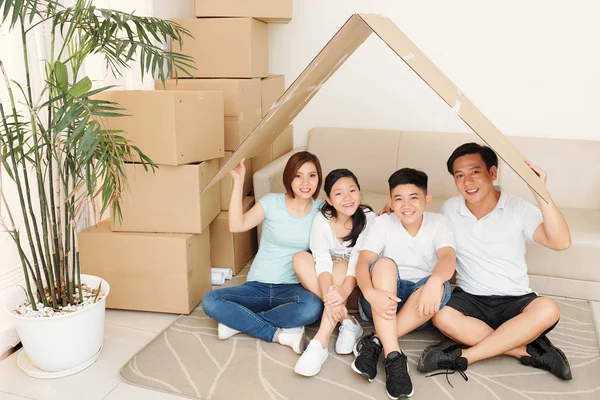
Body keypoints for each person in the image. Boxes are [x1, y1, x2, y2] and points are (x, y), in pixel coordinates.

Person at [418, 142, 572, 382]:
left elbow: (560, 242)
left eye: (474, 172)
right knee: (440, 316)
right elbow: (430, 237)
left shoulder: (518, 207)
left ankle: (466, 356)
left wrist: (539, 191)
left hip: (515, 298)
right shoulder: (450, 208)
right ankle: (525, 350)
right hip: (470, 297)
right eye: (460, 175)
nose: (467, 182)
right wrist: (394, 212)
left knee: (548, 309)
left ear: (492, 173)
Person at [201, 151, 325, 354]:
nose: (306, 182)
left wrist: (387, 209)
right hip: (257, 285)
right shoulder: (271, 202)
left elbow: (350, 221)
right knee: (210, 301)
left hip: (293, 290)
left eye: (312, 175)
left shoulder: (322, 209)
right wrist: (238, 181)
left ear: (318, 178)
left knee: (312, 307)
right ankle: (277, 334)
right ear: (289, 178)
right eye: (298, 175)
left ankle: (236, 323)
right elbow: (236, 225)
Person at [352, 168, 456, 399]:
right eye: (399, 199)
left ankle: (376, 341)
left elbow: (448, 258)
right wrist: (369, 293)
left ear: (427, 200)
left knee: (438, 285)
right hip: (381, 297)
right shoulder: (383, 223)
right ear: (390, 201)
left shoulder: (439, 223)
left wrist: (434, 281)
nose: (406, 205)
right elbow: (363, 263)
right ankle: (394, 356)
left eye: (414, 198)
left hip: (419, 305)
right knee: (383, 264)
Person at [292, 169, 375, 377]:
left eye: (352, 191)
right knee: (300, 258)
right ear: (328, 199)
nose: (347, 198)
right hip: (332, 289)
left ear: (360, 192)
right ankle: (346, 320)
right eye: (338, 193)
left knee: (340, 267)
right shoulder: (322, 220)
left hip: (357, 288)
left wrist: (340, 292)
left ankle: (320, 341)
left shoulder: (369, 218)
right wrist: (333, 297)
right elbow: (321, 260)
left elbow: (358, 263)